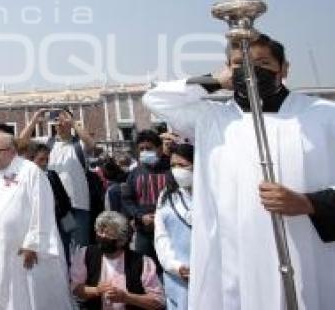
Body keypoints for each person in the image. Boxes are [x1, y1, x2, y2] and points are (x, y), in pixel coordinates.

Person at [143, 33, 335, 309]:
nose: (252, 71)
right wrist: (216, 80)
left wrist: (309, 202)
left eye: (262, 62)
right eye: (240, 64)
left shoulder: (323, 115)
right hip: (235, 257)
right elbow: (156, 99)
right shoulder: (211, 118)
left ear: (284, 68)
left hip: (305, 249)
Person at [0, 132, 70, 310]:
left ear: (11, 151)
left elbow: (42, 208)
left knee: (29, 295)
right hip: (1, 246)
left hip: (26, 248)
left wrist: (33, 244)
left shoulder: (31, 171)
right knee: (1, 291)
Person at [21, 107, 96, 249]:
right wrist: (33, 121)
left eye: (64, 119)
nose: (60, 123)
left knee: (79, 248)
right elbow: (20, 143)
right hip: (53, 206)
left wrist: (74, 123)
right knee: (59, 247)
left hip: (77, 206)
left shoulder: (78, 145)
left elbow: (91, 144)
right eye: (57, 120)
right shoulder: (47, 143)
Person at [70, 210, 164, 309]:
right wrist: (97, 290)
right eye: (100, 231)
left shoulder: (142, 262)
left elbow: (157, 301)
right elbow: (75, 288)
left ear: (121, 240)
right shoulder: (85, 254)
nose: (102, 236)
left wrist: (126, 297)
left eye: (108, 233)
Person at [121, 130, 170, 271]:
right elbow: (127, 200)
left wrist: (161, 216)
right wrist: (140, 216)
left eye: (148, 148)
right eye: (141, 149)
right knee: (145, 269)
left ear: (159, 149)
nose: (144, 152)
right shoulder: (134, 174)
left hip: (168, 231)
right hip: (144, 232)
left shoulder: (171, 171)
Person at [154, 143, 194, 310]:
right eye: (173, 165)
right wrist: (175, 266)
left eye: (182, 165)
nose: (177, 170)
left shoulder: (213, 193)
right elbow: (161, 236)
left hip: (208, 273)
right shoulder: (166, 195)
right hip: (177, 277)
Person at [26, 142, 74, 260]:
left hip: (60, 220)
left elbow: (64, 198)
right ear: (31, 159)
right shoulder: (26, 179)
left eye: (47, 159)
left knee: (64, 251)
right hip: (40, 225)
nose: (45, 163)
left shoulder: (52, 175)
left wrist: (68, 219)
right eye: (41, 159)